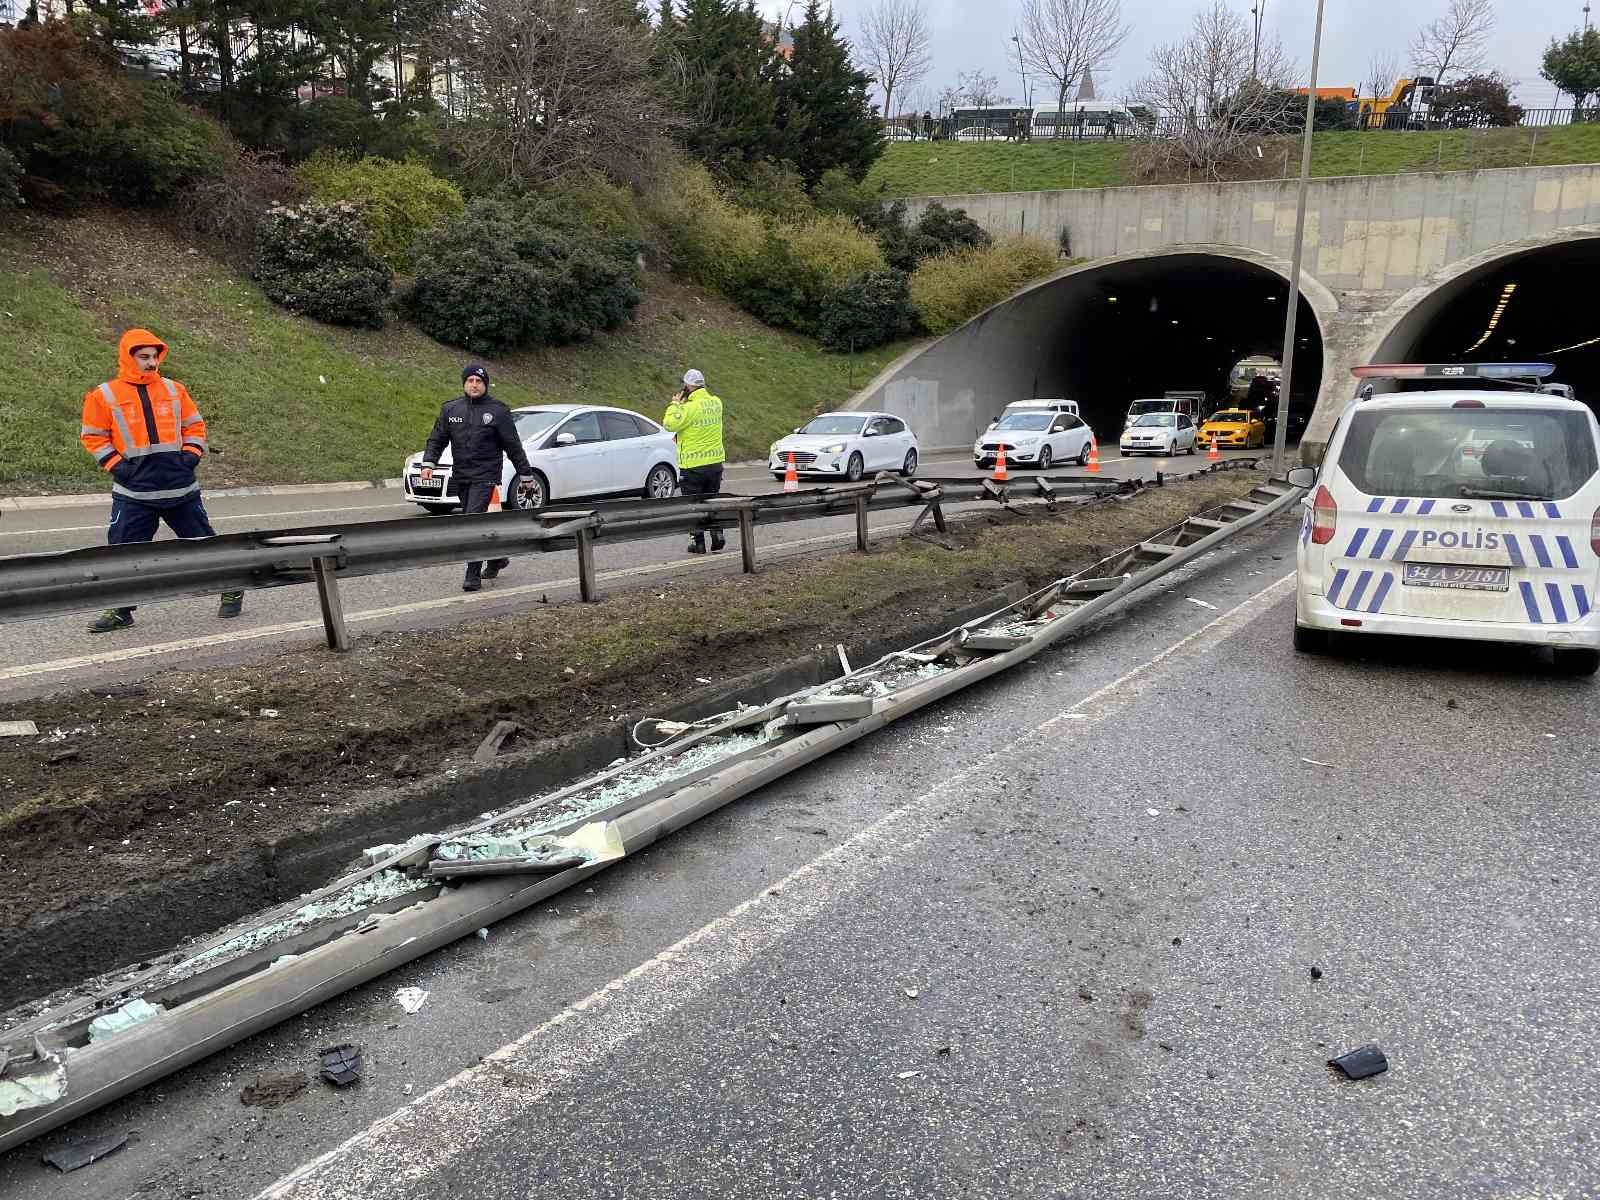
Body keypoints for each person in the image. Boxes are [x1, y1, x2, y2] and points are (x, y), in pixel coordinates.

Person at [79, 328, 243, 633]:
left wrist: (190, 458)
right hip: (134, 494)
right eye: (144, 357)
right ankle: (120, 610)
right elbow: (93, 436)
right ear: (129, 358)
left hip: (181, 490)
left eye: (154, 356)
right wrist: (120, 468)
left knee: (205, 545)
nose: (151, 362)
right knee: (122, 553)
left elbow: (195, 426)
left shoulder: (174, 389)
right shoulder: (104, 395)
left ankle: (232, 586)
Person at [419, 364, 539, 592]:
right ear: (464, 383)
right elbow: (436, 439)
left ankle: (472, 575)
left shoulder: (498, 411)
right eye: (470, 381)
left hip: (485, 476)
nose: (474, 385)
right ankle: (496, 558)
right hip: (461, 476)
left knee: (471, 522)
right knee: (474, 520)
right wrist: (429, 463)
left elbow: (513, 446)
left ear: (485, 384)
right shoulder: (450, 409)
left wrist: (525, 475)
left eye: (479, 381)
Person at [662, 368, 726, 555]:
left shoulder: (688, 408)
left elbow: (669, 424)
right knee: (711, 500)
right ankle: (717, 534)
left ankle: (698, 543)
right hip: (715, 463)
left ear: (688, 386)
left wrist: (675, 404)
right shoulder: (716, 403)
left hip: (693, 465)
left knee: (694, 506)